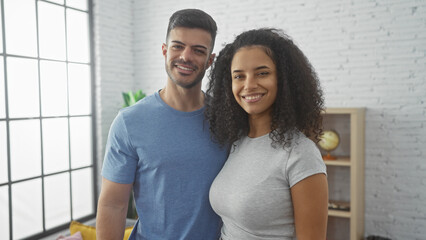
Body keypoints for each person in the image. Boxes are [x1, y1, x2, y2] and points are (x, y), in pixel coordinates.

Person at [96, 9, 228, 240]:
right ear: (165, 51)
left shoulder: (228, 120)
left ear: (210, 60)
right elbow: (113, 205)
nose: (186, 56)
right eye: (178, 46)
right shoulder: (129, 122)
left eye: (198, 50)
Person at [206, 28, 329, 240]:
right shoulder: (236, 142)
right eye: (239, 76)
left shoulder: (300, 153)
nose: (249, 85)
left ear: (284, 79)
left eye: (262, 73)